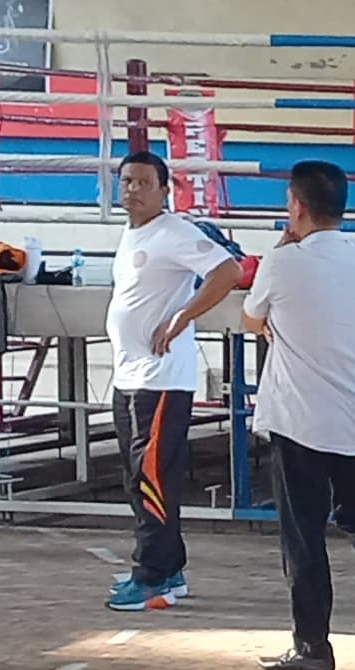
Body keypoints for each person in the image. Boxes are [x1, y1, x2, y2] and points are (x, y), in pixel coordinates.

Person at [242, 157, 355, 670]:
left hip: (301, 420)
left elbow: (252, 317)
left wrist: (281, 250)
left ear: (295, 206)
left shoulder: (284, 262)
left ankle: (313, 644)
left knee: (304, 533)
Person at [104, 149, 247, 613]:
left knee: (151, 477)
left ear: (164, 189)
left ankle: (151, 576)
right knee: (136, 476)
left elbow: (228, 270)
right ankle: (171, 565)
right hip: (129, 375)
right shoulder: (132, 234)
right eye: (127, 181)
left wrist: (183, 317)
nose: (133, 190)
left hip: (161, 377)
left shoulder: (174, 232)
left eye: (144, 183)